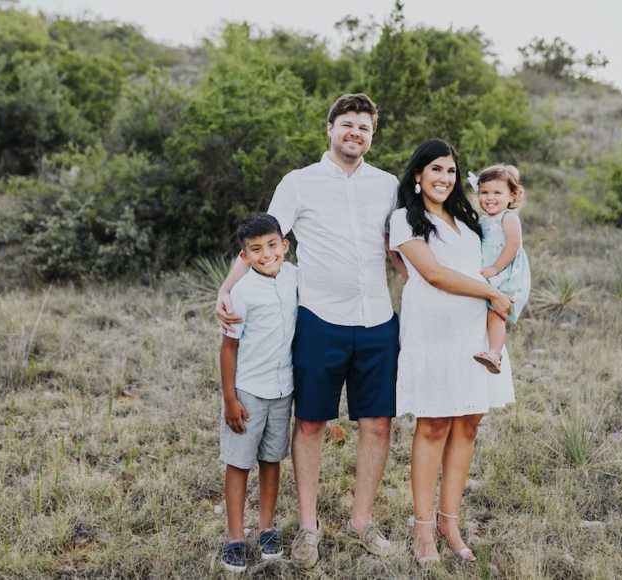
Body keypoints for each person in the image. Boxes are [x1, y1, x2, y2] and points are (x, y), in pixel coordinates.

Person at [215, 94, 405, 569]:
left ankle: (362, 521)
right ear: (330, 128)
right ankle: (307, 527)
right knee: (311, 423)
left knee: (377, 424)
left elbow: (402, 248)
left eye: (364, 126)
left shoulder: (387, 185)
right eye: (347, 124)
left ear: (372, 134)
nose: (355, 132)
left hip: (378, 319)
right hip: (320, 319)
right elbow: (264, 240)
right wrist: (226, 288)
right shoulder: (299, 183)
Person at [388, 139, 516, 566]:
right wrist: (491, 294)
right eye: (436, 170)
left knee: (468, 425)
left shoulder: (468, 218)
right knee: (433, 425)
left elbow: (499, 252)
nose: (444, 178)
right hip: (434, 331)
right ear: (418, 175)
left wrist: (504, 291)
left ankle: (450, 522)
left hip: (473, 331)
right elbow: (435, 274)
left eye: (451, 171)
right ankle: (423, 530)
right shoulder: (405, 219)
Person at [218, 214, 297, 573]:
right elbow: (228, 349)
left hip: (284, 389)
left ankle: (266, 527)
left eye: (272, 245)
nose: (266, 254)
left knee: (271, 459)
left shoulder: (295, 277)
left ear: (285, 245)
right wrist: (230, 399)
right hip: (248, 391)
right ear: (245, 255)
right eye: (256, 249)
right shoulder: (241, 293)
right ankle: (235, 536)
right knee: (239, 462)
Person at [472, 165, 532, 374]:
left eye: (497, 193)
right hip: (489, 271)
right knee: (485, 312)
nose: (490, 198)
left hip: (506, 273)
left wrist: (496, 268)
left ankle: (495, 354)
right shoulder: (483, 219)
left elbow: (513, 245)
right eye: (484, 192)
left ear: (512, 196)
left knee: (496, 313)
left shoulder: (508, 217)